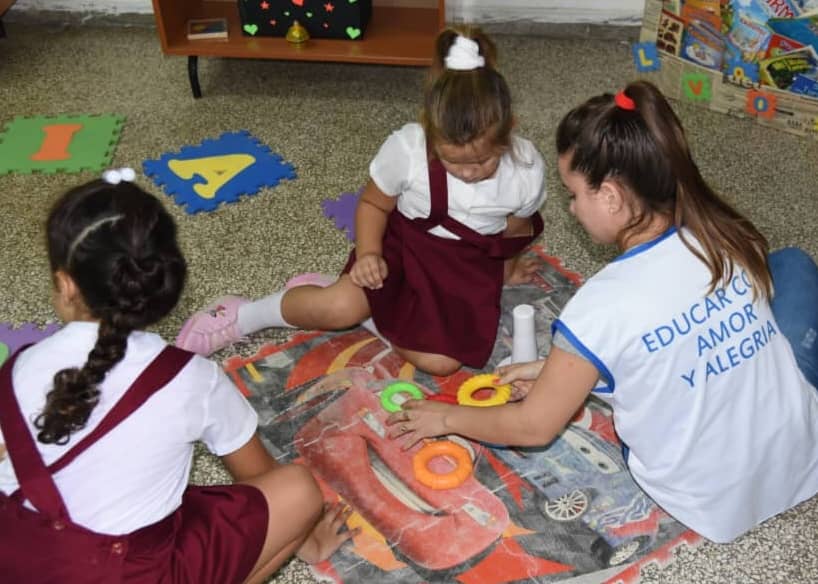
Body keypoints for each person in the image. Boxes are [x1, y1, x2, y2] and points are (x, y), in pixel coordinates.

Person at [385, 81, 818, 544]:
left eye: (573, 194)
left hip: (707, 495)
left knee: (762, 282)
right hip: (801, 454)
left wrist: (445, 418)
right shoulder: (725, 235)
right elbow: (669, 340)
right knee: (790, 264)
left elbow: (532, 426)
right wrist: (558, 371)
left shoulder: (598, 305)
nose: (571, 208)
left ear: (610, 196)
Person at [0, 171, 356, 583]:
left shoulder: (18, 368)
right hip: (129, 570)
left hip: (19, 561)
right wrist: (307, 542)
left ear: (65, 285)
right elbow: (258, 475)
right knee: (296, 488)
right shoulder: (192, 379)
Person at [176, 26, 547, 376]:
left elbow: (516, 228)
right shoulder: (407, 148)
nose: (468, 173)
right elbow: (373, 205)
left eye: (482, 161)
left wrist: (507, 269)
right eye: (454, 161)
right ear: (430, 133)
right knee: (337, 309)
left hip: (463, 267)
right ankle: (243, 314)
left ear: (509, 130)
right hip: (403, 251)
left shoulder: (526, 168)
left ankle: (373, 313)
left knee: (443, 364)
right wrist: (369, 254)